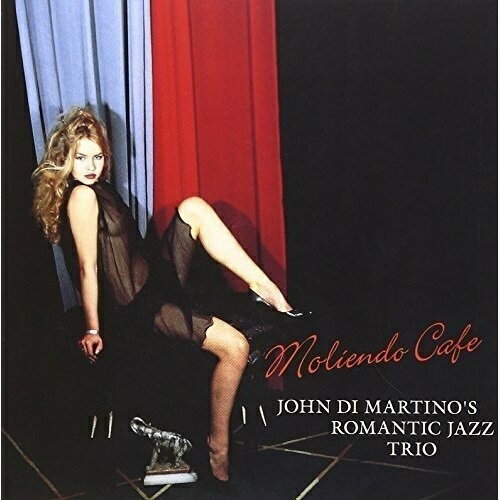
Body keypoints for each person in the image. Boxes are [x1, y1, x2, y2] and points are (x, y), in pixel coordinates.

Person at [32, 107, 297, 482]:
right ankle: (217, 447)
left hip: (152, 280)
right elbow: (87, 270)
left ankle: (264, 287)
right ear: (65, 158)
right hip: (138, 308)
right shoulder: (82, 198)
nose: (91, 166)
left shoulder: (96, 189)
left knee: (193, 207)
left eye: (98, 156)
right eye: (81, 157)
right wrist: (92, 329)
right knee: (236, 347)